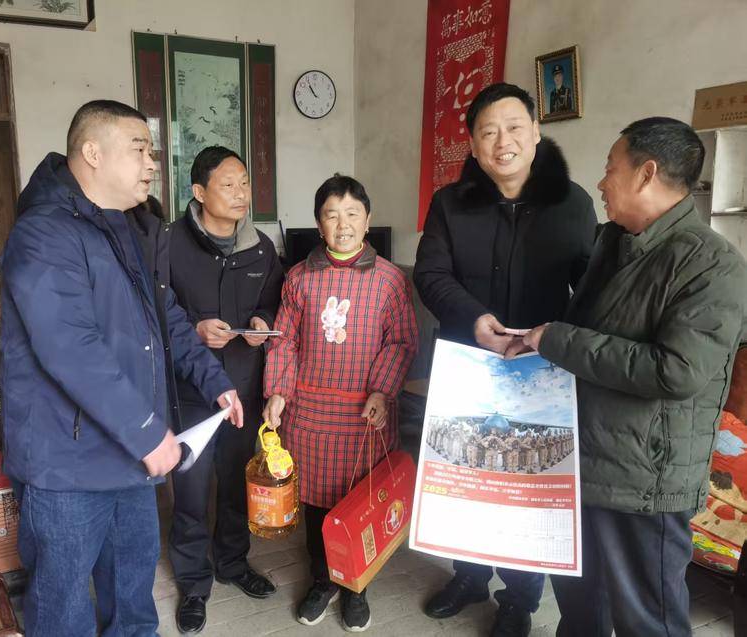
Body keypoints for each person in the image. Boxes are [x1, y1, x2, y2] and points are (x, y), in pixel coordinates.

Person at [0, 100, 242, 637]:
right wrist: (147, 431)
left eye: (151, 152)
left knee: (133, 598)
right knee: (63, 608)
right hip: (67, 467)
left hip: (129, 459)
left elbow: (166, 316)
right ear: (92, 153)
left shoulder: (128, 229)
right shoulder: (44, 233)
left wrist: (214, 380)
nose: (152, 163)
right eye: (139, 150)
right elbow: (71, 347)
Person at [521, 117, 747, 637]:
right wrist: (532, 342)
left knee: (647, 621)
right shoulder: (615, 242)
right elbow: (589, 335)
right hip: (585, 459)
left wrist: (556, 339)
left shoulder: (712, 265)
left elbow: (676, 371)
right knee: (580, 610)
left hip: (645, 478)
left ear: (646, 173)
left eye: (610, 168)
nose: (601, 182)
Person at [413, 82, 596, 637]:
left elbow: (591, 290)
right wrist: (474, 318)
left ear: (536, 132)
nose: (503, 142)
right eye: (488, 131)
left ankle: (519, 599)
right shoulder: (449, 203)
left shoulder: (573, 204)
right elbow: (431, 275)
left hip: (539, 373)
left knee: (525, 487)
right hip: (468, 366)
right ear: (472, 143)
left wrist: (557, 339)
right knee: (464, 476)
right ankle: (468, 577)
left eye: (515, 127)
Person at [263, 175, 418, 632]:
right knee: (315, 506)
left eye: (352, 214)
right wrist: (278, 392)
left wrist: (381, 391)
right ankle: (323, 580)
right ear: (319, 224)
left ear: (368, 221)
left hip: (365, 416)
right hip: (310, 415)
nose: (343, 224)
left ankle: (357, 587)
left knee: (361, 504)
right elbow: (284, 341)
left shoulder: (390, 280)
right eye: (332, 215)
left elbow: (401, 342)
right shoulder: (298, 278)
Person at [167, 146, 284, 634]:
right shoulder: (169, 244)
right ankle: (194, 583)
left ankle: (232, 563)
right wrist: (195, 329)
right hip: (191, 392)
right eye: (228, 185)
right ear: (199, 192)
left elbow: (274, 301)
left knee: (236, 483)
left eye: (245, 183)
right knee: (191, 491)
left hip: (242, 386)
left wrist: (261, 323)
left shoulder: (260, 248)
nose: (241, 194)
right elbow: (157, 313)